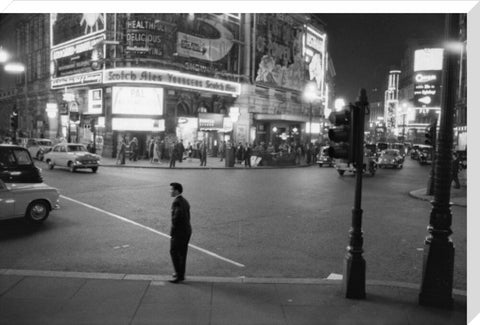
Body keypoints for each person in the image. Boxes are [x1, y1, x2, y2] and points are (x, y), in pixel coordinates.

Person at [168, 182, 192, 283]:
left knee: (174, 252)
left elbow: (176, 218)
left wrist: (173, 231)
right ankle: (180, 273)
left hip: (179, 232)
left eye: (172, 189)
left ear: (176, 191)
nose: (170, 191)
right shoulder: (184, 200)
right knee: (182, 253)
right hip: (186, 230)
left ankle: (179, 275)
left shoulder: (176, 202)